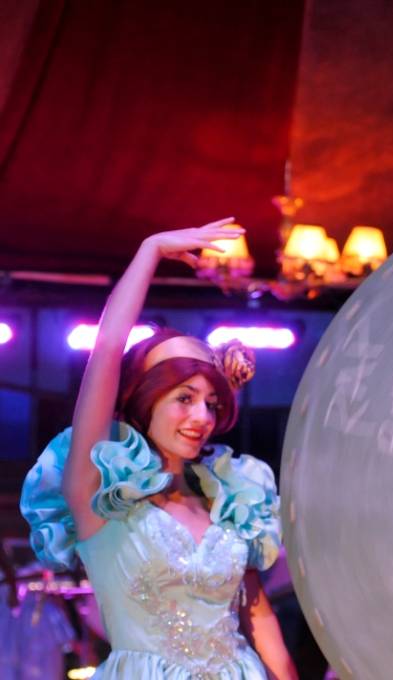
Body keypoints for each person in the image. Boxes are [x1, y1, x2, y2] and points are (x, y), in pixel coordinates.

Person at [20, 221, 298, 679]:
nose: (202, 417)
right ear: (146, 400)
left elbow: (258, 613)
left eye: (212, 403)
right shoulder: (99, 496)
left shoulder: (228, 500)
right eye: (184, 398)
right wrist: (150, 251)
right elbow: (108, 347)